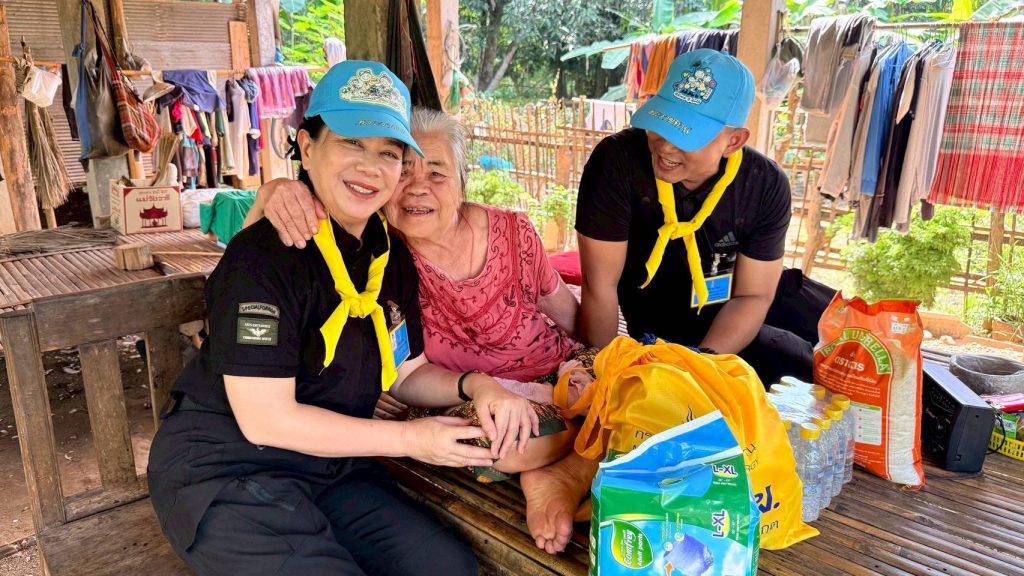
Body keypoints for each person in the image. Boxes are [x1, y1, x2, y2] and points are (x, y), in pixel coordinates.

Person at [147, 61, 539, 576]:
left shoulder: (387, 256)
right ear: (307, 148)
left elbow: (406, 371)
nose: (370, 167)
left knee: (446, 567)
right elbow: (266, 419)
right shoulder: (264, 258)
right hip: (227, 471)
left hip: (330, 468)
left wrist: (479, 386)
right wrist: (412, 440)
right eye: (352, 142)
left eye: (389, 153)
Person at [577, 48, 825, 387]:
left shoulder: (764, 185)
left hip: (738, 316)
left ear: (733, 141)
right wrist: (603, 376)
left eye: (687, 135)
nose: (665, 147)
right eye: (661, 124)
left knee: (819, 362)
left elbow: (752, 296)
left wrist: (697, 367)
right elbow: (599, 285)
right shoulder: (618, 161)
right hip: (658, 325)